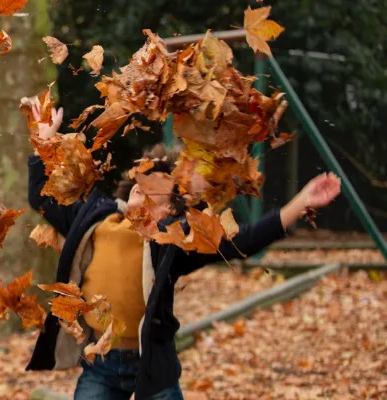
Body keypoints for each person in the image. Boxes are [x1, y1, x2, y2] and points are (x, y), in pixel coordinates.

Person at [24, 107, 342, 400]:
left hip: (153, 366)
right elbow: (43, 199)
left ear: (171, 210)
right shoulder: (95, 217)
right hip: (100, 364)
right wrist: (44, 140)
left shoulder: (173, 241)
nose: (144, 185)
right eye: (142, 179)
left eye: (156, 187)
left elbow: (243, 241)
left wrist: (299, 204)